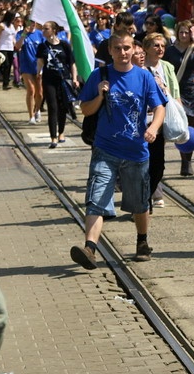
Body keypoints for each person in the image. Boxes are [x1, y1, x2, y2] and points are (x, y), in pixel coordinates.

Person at [69, 30, 167, 269]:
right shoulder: (99, 75)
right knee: (96, 199)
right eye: (118, 49)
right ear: (110, 51)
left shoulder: (144, 77)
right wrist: (100, 96)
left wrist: (153, 127)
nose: (123, 53)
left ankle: (142, 241)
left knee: (139, 203)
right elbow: (86, 110)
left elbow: (160, 107)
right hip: (105, 149)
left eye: (127, 48)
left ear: (134, 49)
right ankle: (90, 248)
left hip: (136, 151)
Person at [164, 19, 194, 176]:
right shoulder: (170, 51)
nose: (183, 35)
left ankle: (187, 161)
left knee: (192, 128)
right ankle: (184, 160)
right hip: (177, 91)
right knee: (181, 127)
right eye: (181, 32)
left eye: (186, 32)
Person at [142, 33, 179, 211]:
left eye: (162, 45)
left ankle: (146, 194)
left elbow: (175, 93)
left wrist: (179, 117)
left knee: (158, 167)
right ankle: (142, 200)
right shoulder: (140, 69)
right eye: (156, 45)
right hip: (144, 122)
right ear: (146, 48)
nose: (160, 49)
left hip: (162, 122)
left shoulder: (167, 67)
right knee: (143, 163)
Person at [36, 22, 79, 148]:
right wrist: (38, 73)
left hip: (63, 79)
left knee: (62, 107)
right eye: (43, 28)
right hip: (49, 79)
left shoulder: (64, 44)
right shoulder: (42, 46)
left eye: (46, 28)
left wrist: (74, 78)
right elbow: (40, 61)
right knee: (52, 107)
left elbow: (72, 63)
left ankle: (61, 132)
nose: (43, 31)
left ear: (54, 30)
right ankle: (53, 137)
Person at [15, 19, 44, 124]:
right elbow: (17, 47)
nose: (32, 25)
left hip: (38, 66)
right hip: (26, 65)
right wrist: (23, 34)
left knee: (40, 93)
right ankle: (31, 116)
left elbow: (45, 48)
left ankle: (37, 110)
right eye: (29, 23)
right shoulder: (20, 34)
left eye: (33, 23)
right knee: (31, 90)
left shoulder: (40, 34)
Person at [0, 11, 19, 90]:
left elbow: (13, 38)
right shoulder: (2, 25)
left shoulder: (12, 26)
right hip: (3, 47)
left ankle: (6, 83)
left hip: (10, 48)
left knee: (9, 65)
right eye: (13, 17)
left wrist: (16, 45)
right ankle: (3, 81)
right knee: (6, 64)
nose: (14, 19)